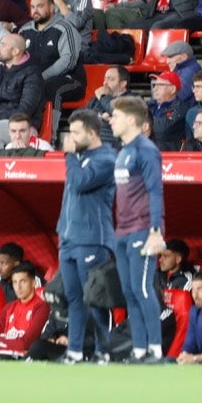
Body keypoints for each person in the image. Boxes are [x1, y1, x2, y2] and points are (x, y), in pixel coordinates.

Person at [107, 96, 166, 364]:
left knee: (143, 290)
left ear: (131, 120)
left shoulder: (146, 150)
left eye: (115, 116)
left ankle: (155, 350)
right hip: (122, 231)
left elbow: (155, 191)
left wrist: (156, 231)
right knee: (129, 291)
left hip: (142, 229)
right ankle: (139, 350)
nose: (111, 120)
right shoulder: (123, 150)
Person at [58, 110, 117, 363]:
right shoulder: (78, 157)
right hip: (68, 239)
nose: (71, 138)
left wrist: (69, 154)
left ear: (92, 133)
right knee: (74, 300)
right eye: (70, 132)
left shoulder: (106, 158)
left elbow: (81, 182)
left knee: (95, 300)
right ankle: (74, 352)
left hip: (93, 239)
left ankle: (106, 352)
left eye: (76, 132)